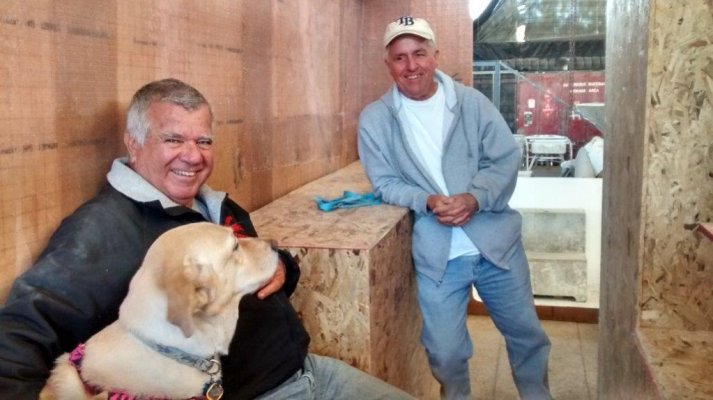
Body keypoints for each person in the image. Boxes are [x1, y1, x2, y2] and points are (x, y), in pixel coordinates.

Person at [0, 78, 414, 400]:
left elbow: (254, 268)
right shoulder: (104, 229)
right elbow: (19, 337)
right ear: (134, 141)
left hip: (308, 371)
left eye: (203, 140)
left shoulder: (213, 206)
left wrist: (282, 267)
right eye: (173, 139)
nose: (193, 155)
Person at [357, 17, 553, 400]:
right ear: (388, 64)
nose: (411, 66)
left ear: (435, 55)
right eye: (400, 57)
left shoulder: (471, 103)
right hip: (438, 254)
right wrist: (426, 201)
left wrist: (475, 198)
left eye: (419, 53)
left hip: (497, 244)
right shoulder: (375, 120)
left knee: (526, 336)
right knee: (445, 353)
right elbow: (384, 182)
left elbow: (504, 159)